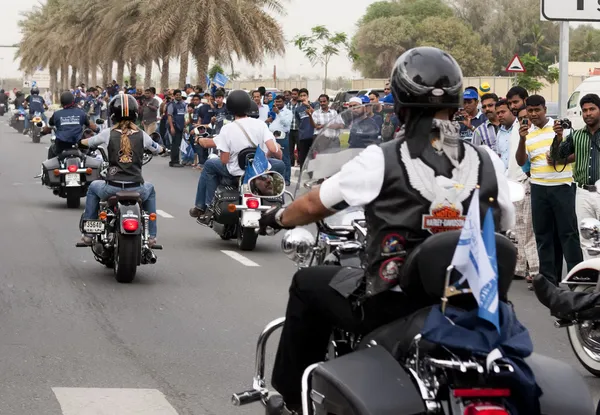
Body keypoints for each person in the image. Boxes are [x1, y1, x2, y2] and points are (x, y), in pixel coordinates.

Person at [256, 46, 515, 414]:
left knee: (307, 283)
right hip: (474, 303)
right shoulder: (486, 160)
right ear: (457, 101)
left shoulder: (383, 157)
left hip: (395, 305)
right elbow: (503, 221)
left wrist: (277, 218)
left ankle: (292, 403)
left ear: (401, 103)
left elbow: (314, 204)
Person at [79, 94, 165, 247]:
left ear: (113, 114)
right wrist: (162, 149)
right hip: (137, 188)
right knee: (150, 189)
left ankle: (89, 234)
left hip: (112, 188)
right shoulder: (142, 135)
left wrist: (80, 142)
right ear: (135, 114)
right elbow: (157, 149)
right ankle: (151, 236)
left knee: (93, 187)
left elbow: (88, 142)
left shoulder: (108, 134)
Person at [515, 95, 582, 285]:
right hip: (538, 188)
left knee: (568, 234)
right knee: (543, 236)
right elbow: (521, 161)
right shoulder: (526, 133)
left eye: (538, 110)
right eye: (530, 110)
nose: (534, 114)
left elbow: (576, 154)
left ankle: (577, 281)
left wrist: (561, 159)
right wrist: (521, 139)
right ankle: (549, 282)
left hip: (562, 187)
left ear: (545, 109)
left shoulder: (561, 128)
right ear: (526, 111)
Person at [188, 90, 285, 219]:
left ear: (230, 108)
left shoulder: (227, 129)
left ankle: (204, 206)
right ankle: (279, 203)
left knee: (210, 164)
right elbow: (273, 149)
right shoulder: (261, 124)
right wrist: (276, 149)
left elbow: (224, 160)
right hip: (259, 172)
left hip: (236, 171)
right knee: (280, 164)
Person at [551, 93, 600, 261]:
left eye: (592, 109)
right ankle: (592, 281)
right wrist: (558, 137)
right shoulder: (577, 135)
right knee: (586, 238)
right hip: (582, 193)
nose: (588, 113)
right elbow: (557, 156)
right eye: (584, 110)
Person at [42, 91, 98, 159]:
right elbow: (91, 125)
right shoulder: (81, 113)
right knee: (90, 152)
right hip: (78, 144)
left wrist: (43, 132)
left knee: (51, 149)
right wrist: (97, 129)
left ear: (62, 102)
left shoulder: (56, 114)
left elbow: (48, 128)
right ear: (73, 101)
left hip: (61, 145)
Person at [167, 89, 187, 167]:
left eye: (179, 95)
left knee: (177, 144)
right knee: (175, 144)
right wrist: (172, 127)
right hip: (174, 126)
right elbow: (169, 116)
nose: (178, 96)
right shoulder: (171, 105)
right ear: (174, 96)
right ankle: (174, 161)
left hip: (181, 127)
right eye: (177, 95)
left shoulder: (183, 104)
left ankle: (175, 161)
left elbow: (184, 116)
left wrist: (185, 127)